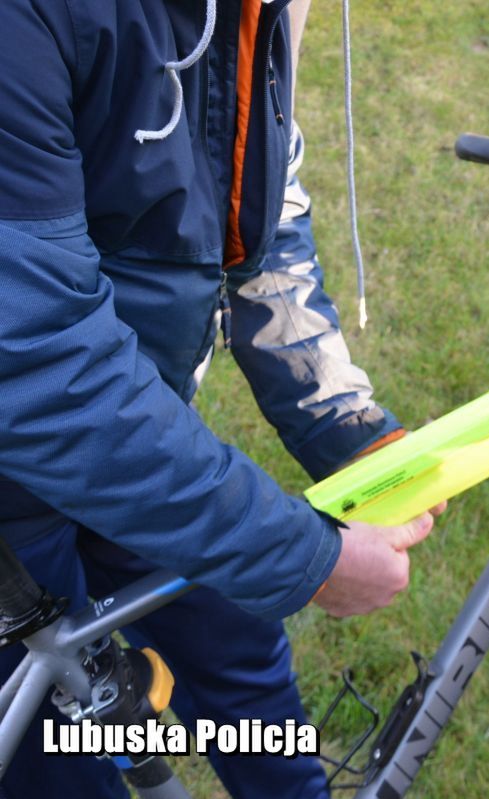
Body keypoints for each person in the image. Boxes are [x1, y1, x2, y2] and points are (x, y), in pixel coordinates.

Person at [0, 2, 438, 796]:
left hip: (134, 428)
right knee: (60, 761)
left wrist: (347, 428)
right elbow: (40, 365)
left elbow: (260, 219)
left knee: (241, 659)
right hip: (30, 464)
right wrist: (305, 559)